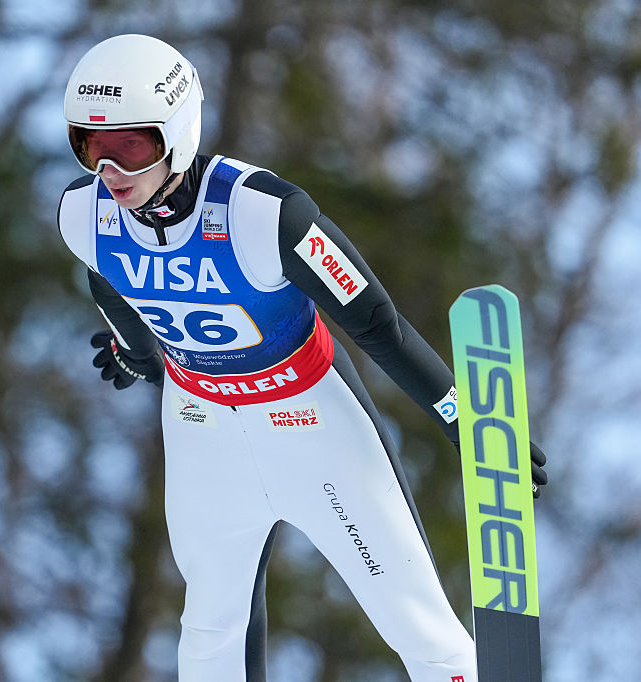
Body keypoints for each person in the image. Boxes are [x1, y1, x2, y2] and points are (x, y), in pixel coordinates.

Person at [56, 34, 546, 682]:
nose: (108, 173)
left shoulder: (263, 213)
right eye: (90, 148)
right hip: (203, 432)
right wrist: (137, 356)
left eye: (130, 147)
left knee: (418, 626)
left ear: (176, 131)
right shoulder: (83, 216)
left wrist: (467, 422)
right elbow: (108, 282)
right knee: (209, 631)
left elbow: (379, 327)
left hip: (312, 424)